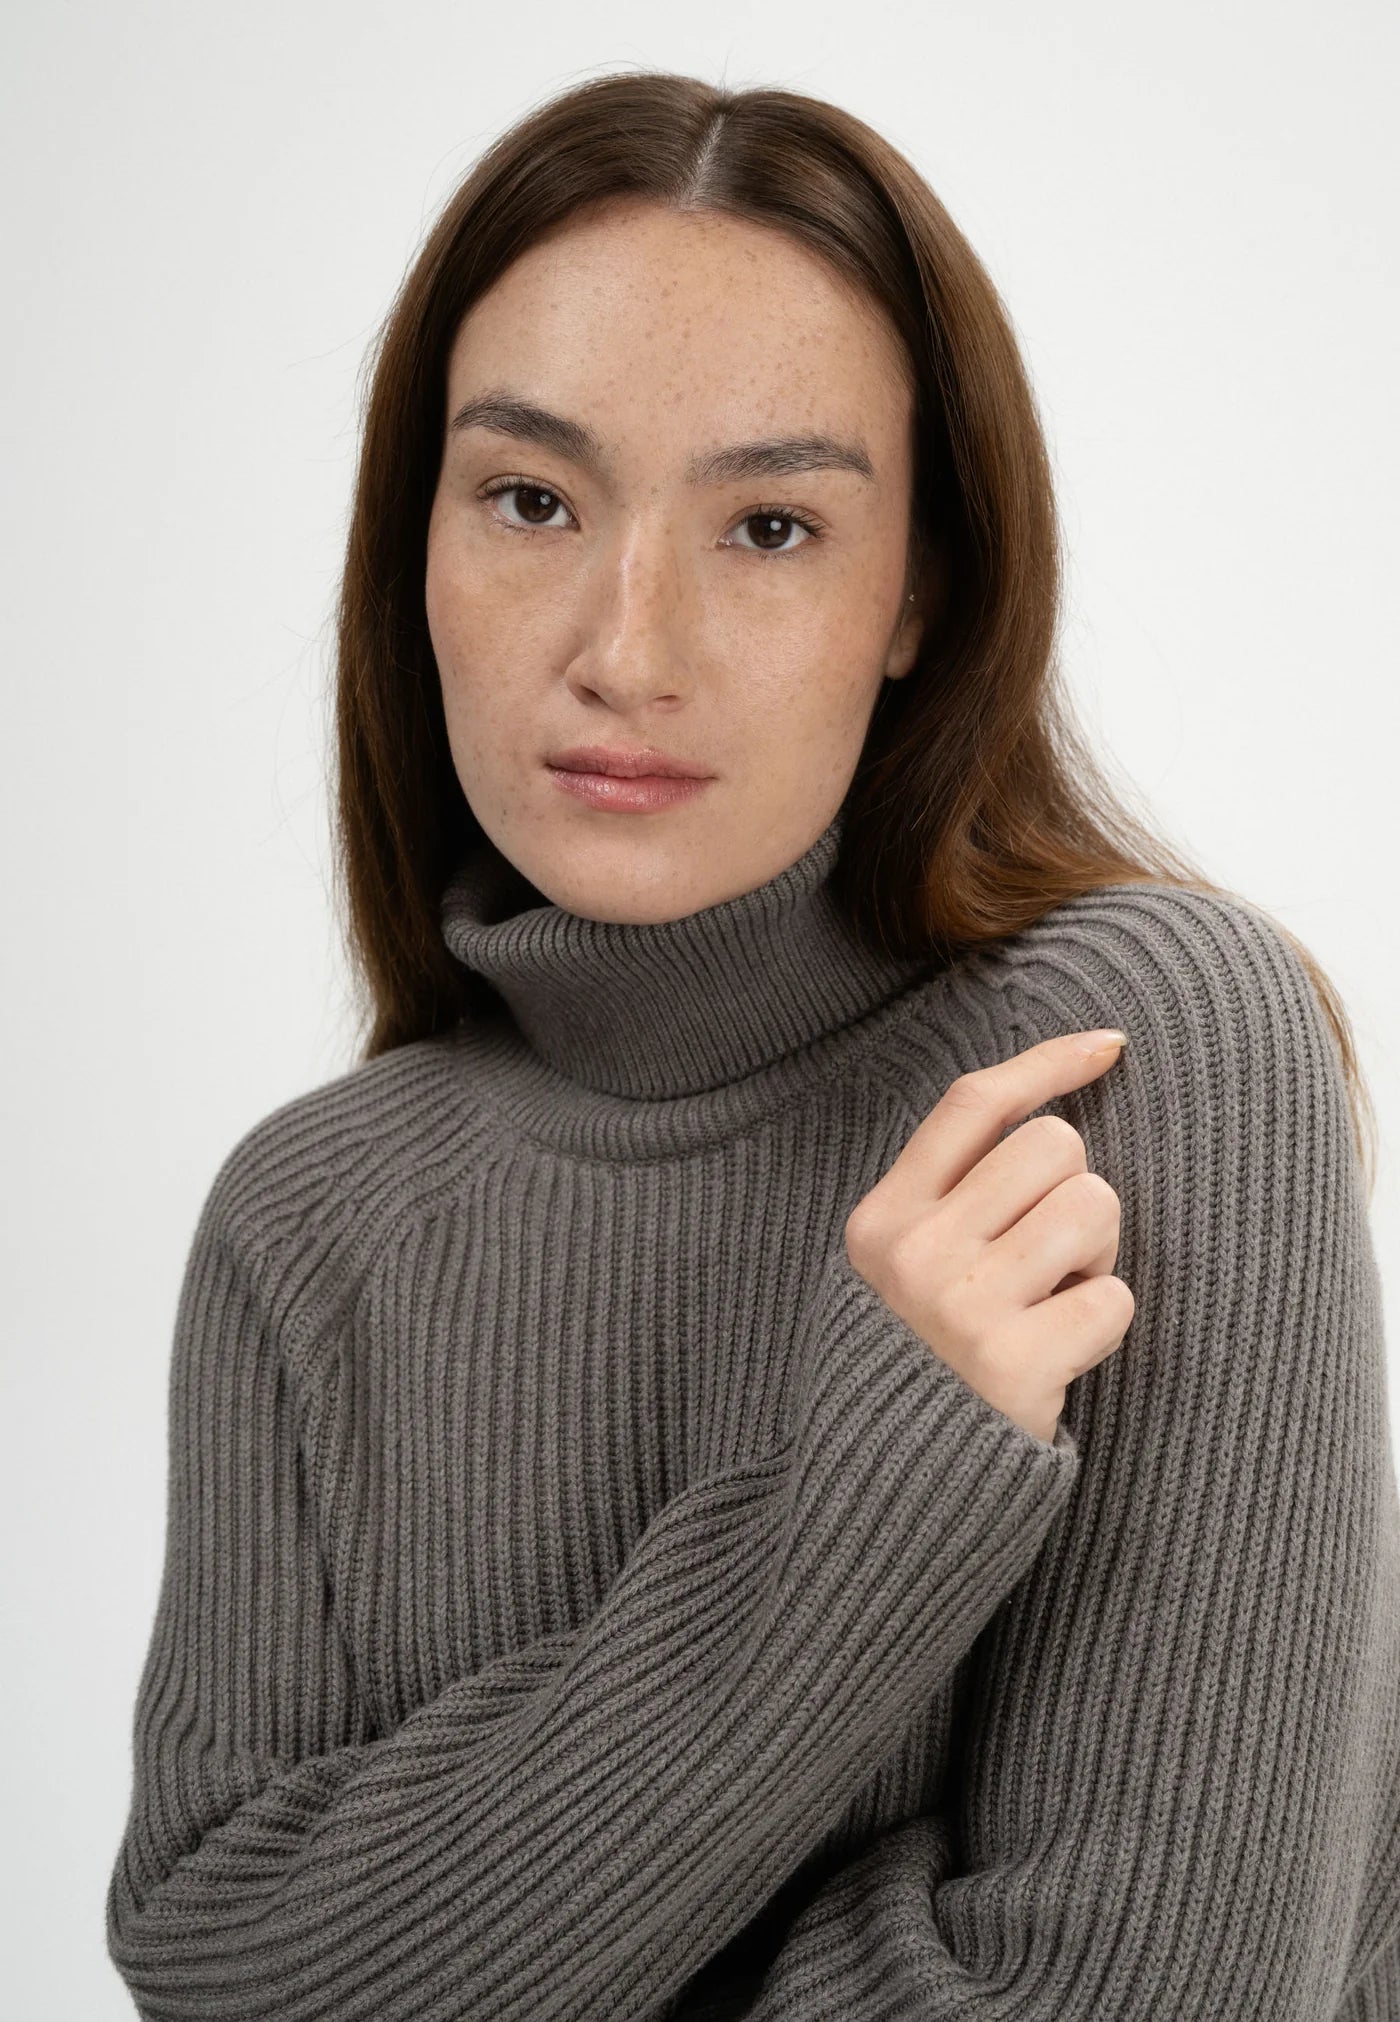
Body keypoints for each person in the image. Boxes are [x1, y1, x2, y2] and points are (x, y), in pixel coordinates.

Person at [104, 69, 1397, 2021]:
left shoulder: (1125, 1060)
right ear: (412, 541)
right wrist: (858, 1516)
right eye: (531, 500)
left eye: (772, 526)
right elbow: (219, 1963)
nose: (627, 649)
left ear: (918, 592)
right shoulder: (309, 1218)